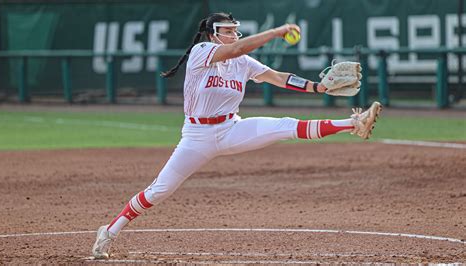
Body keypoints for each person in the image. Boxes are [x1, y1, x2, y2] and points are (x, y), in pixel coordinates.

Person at [92, 12, 382, 259]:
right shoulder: (202, 52)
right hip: (197, 136)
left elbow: (279, 78)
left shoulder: (242, 63)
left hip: (231, 128)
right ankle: (110, 231)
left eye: (234, 31)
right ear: (211, 34)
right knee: (160, 190)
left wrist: (318, 88)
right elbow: (233, 51)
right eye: (227, 31)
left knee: (285, 126)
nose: (232, 35)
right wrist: (276, 32)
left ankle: (354, 123)